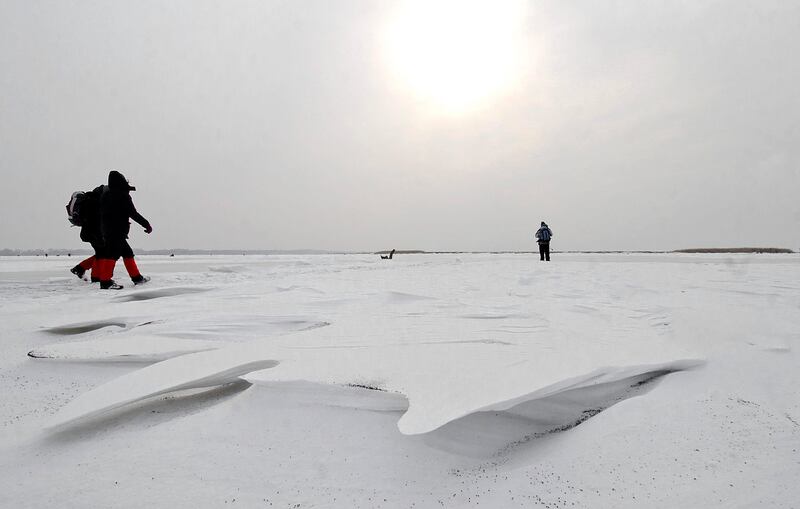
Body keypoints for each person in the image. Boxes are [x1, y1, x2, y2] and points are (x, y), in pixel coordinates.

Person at [94, 170, 153, 290]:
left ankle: (137, 278)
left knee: (127, 253)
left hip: (107, 230)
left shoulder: (106, 195)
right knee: (112, 255)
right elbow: (133, 213)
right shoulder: (123, 196)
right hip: (117, 230)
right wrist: (146, 224)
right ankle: (105, 282)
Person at [69, 185, 104, 282]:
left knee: (101, 253)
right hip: (94, 232)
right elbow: (96, 220)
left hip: (88, 232)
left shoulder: (89, 200)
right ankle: (95, 277)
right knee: (102, 253)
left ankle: (80, 269)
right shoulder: (95, 202)